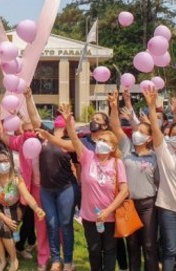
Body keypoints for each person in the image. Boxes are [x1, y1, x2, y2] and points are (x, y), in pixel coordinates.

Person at [62, 103, 129, 271]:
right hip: (89, 216)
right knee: (93, 250)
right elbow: (75, 140)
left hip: (110, 216)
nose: (100, 143)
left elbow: (124, 191)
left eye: (104, 141)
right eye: (99, 140)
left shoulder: (117, 163)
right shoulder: (87, 157)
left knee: (110, 250)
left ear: (112, 147)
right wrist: (68, 123)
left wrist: (108, 211)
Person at [143, 86, 176, 271]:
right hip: (169, 210)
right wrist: (151, 107)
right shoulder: (164, 152)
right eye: (173, 135)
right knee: (169, 250)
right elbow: (156, 131)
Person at [114, 90, 160, 271]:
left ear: (149, 138)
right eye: (136, 131)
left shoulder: (155, 156)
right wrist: (116, 105)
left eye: (142, 132)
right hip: (128, 204)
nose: (137, 134)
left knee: (149, 245)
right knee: (132, 245)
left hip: (148, 204)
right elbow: (116, 128)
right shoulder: (127, 150)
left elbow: (157, 181)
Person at [0, 150, 46, 271]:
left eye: (5, 161)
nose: (2, 164)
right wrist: (3, 218)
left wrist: (37, 208)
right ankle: (2, 261)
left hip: (14, 210)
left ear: (10, 162)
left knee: (6, 229)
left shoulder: (16, 179)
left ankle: (14, 260)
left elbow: (27, 196)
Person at [32, 113, 77, 271]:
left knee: (65, 224)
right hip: (46, 189)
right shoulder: (45, 132)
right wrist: (29, 96)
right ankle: (56, 259)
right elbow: (34, 117)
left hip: (66, 188)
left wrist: (52, 136)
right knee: (51, 224)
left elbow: (73, 147)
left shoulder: (71, 140)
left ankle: (69, 261)